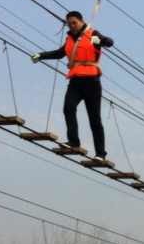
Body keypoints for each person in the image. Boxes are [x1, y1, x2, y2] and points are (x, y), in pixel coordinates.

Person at [31, 11, 114, 158]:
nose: (72, 26)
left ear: (81, 21)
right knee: (68, 108)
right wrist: (41, 55)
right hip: (76, 81)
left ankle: (101, 153)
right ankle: (74, 142)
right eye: (69, 24)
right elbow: (59, 53)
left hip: (92, 81)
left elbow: (110, 42)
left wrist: (99, 41)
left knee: (94, 119)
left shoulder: (92, 33)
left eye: (74, 22)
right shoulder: (70, 39)